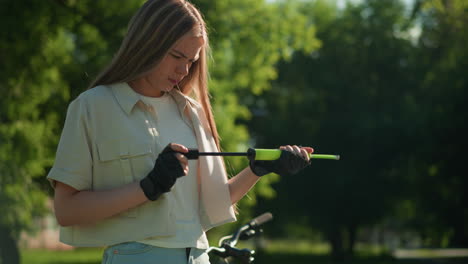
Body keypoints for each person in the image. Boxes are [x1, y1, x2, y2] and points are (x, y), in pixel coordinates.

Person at [47, 0, 313, 263]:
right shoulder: (93, 107)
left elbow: (211, 204)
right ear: (147, 42)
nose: (183, 70)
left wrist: (259, 169)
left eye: (191, 60)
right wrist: (148, 187)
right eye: (176, 56)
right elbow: (67, 210)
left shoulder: (192, 112)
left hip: (199, 256)